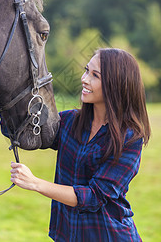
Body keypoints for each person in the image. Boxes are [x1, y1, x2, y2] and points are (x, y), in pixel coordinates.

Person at [9, 48, 151, 242]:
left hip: (108, 236)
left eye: (95, 75)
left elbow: (94, 196)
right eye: (86, 70)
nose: (84, 79)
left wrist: (35, 183)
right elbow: (29, 134)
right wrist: (5, 102)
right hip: (67, 235)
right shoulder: (69, 121)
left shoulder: (130, 139)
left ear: (115, 84)